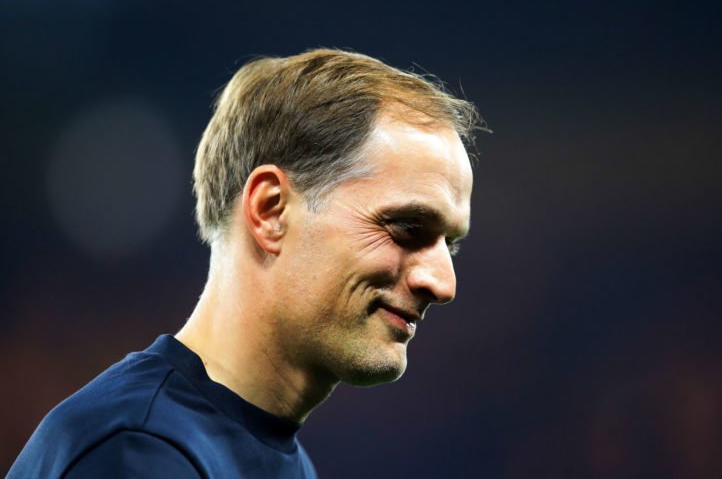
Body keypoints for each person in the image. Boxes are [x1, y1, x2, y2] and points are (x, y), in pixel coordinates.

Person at [10, 48, 480, 478]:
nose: (444, 283)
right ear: (271, 210)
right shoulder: (140, 451)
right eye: (407, 228)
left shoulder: (274, 458)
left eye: (450, 245)